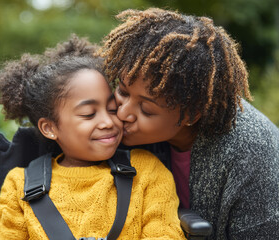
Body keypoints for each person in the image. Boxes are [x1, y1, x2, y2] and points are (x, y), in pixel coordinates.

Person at [99, 8, 279, 240]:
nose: (123, 113)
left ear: (191, 114)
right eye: (122, 91)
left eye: (145, 109)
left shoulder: (253, 152)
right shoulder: (118, 128)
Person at [0, 35, 186, 240]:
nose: (108, 122)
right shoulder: (20, 184)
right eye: (89, 114)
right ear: (49, 127)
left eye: (113, 109)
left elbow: (164, 234)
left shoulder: (147, 171)